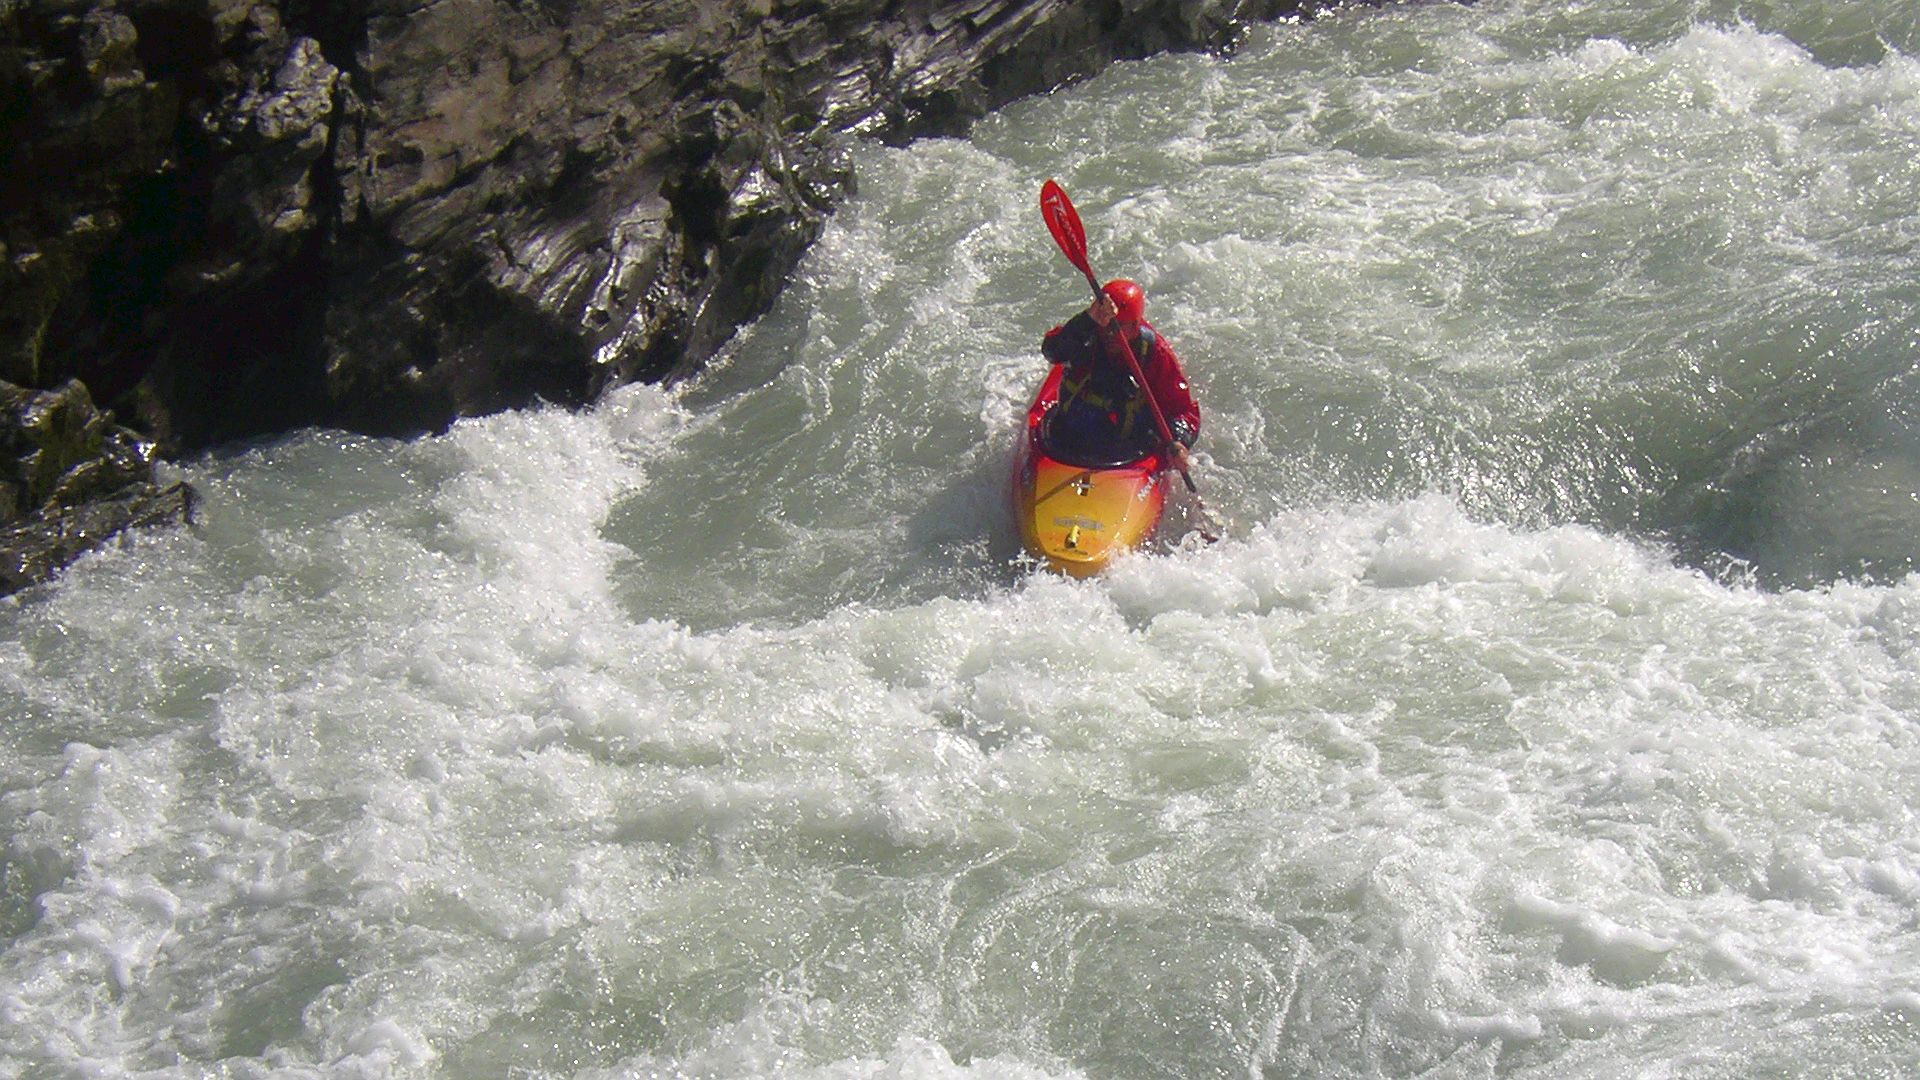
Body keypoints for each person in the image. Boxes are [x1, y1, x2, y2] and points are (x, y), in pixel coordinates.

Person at [1040, 279, 1199, 471]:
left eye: (1119, 326)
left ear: (1135, 325)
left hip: (1129, 442)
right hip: (1074, 435)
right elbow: (1052, 351)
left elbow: (1182, 410)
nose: (1109, 333)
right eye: (1106, 324)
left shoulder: (1154, 352)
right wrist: (1088, 319)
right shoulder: (1085, 335)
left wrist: (1179, 440)